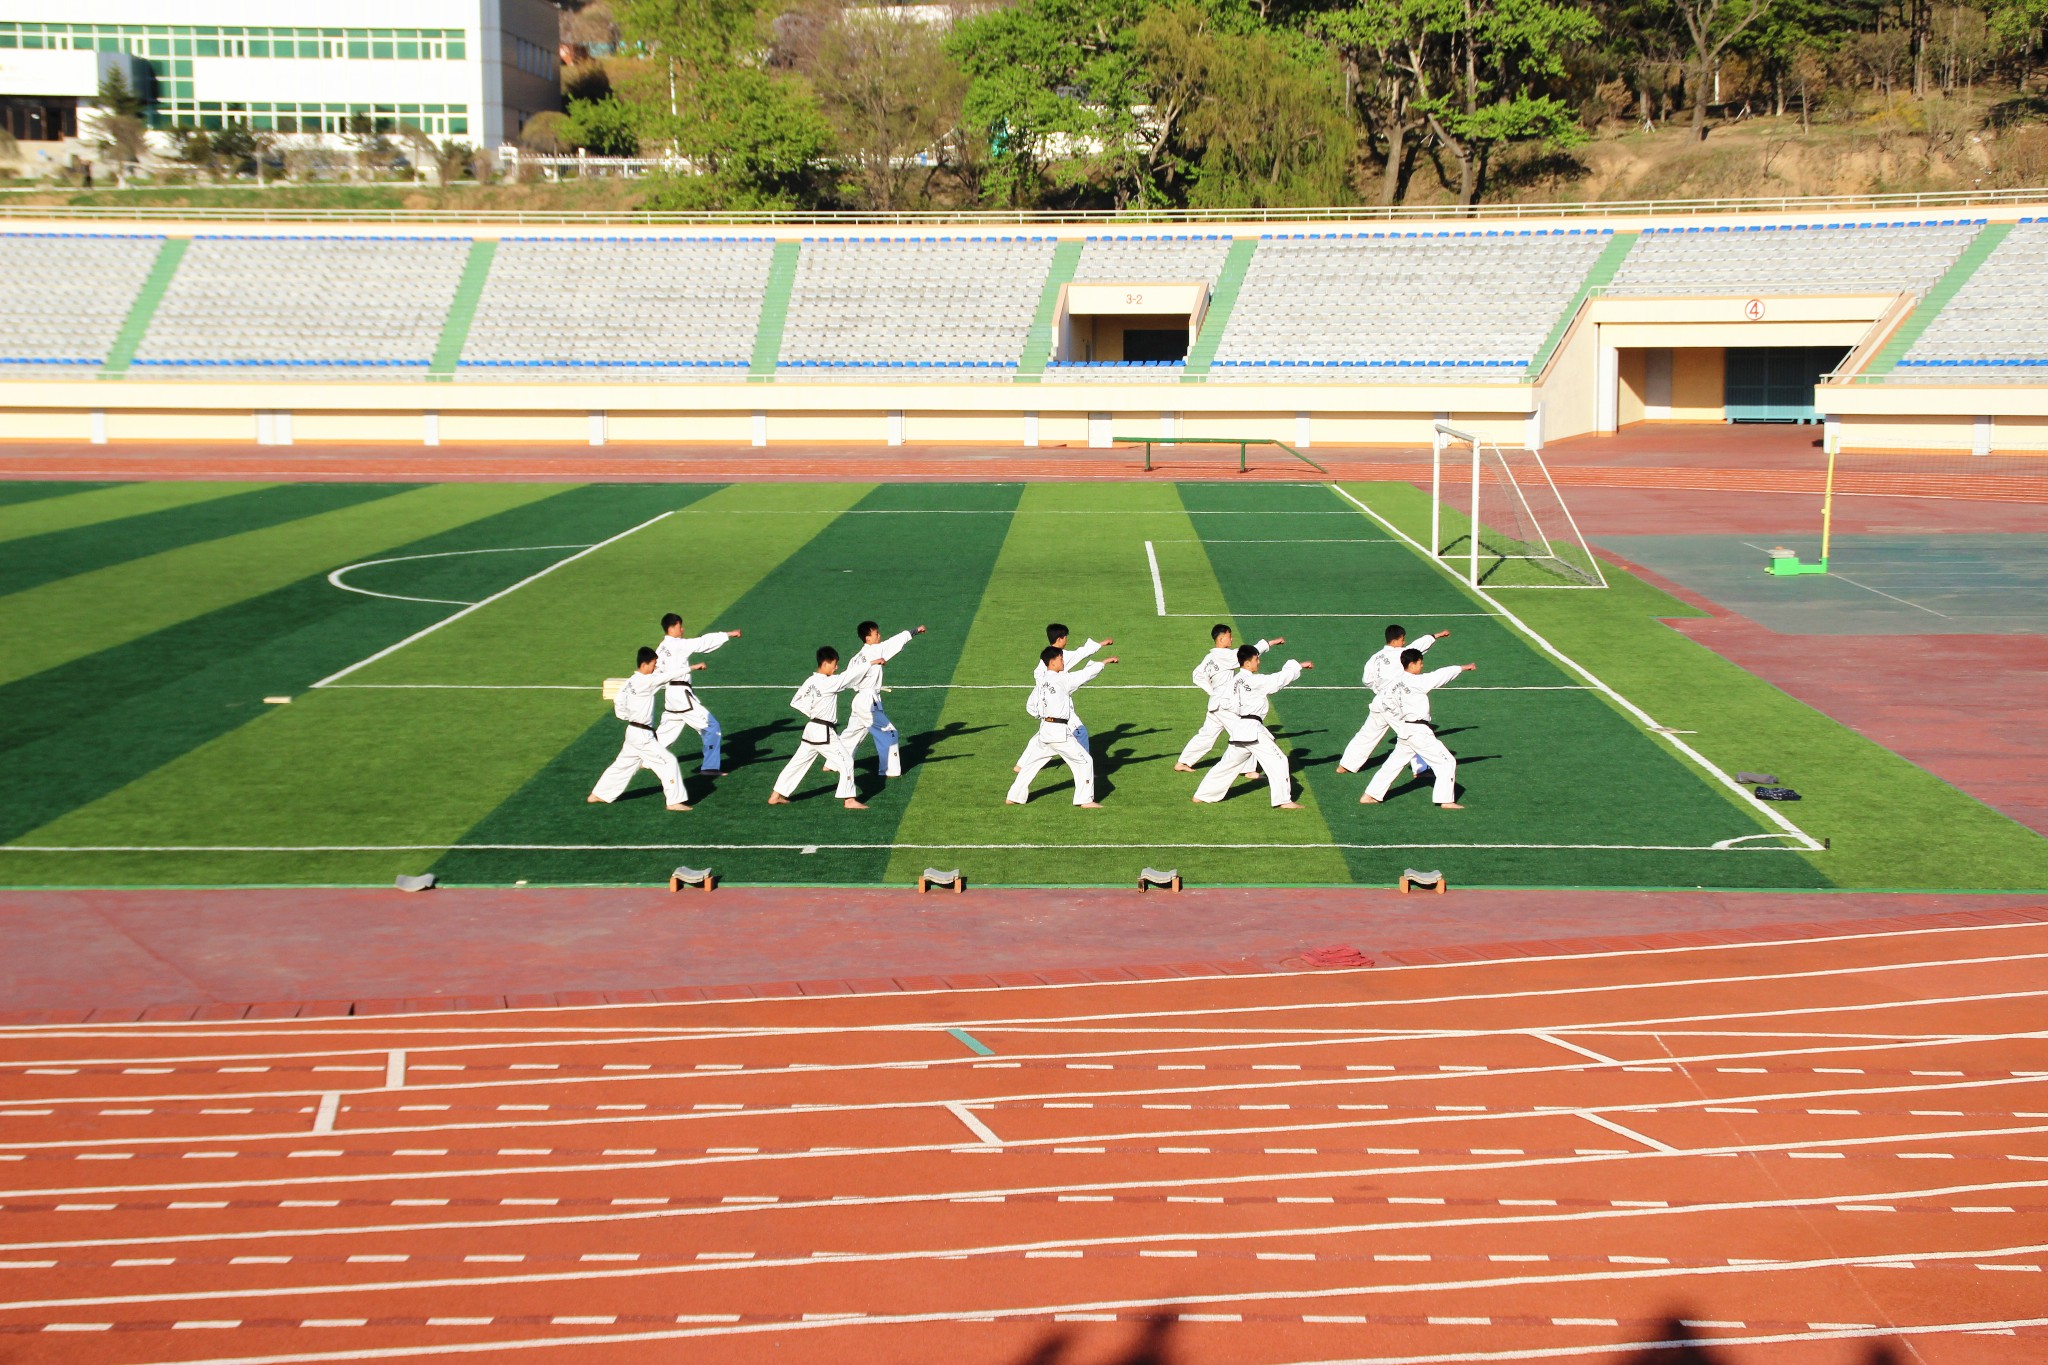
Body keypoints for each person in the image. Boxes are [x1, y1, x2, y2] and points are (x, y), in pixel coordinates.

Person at [1192, 646, 1312, 808]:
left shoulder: (1233, 682)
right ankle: (1284, 801)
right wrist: (1296, 665)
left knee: (1227, 765)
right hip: (1252, 728)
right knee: (1279, 761)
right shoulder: (1254, 681)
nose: (1259, 661)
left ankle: (1202, 794)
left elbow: (1226, 703)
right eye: (1256, 659)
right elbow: (1277, 680)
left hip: (1239, 728)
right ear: (1247, 663)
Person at [1361, 650, 1477, 809]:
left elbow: (1385, 702)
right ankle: (1446, 800)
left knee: (1392, 765)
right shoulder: (1417, 682)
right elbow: (1439, 675)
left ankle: (1369, 795)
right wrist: (1462, 668)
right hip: (1419, 731)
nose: (1422, 665)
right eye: (1420, 662)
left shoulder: (1394, 683)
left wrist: (1399, 715)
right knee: (1447, 762)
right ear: (1412, 663)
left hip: (1404, 729)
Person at [1008, 645, 1116, 807]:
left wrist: (1043, 714)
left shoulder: (1042, 681)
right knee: (1085, 761)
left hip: (1045, 730)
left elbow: (1031, 706)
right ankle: (1085, 800)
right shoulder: (1061, 680)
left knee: (1030, 765)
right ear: (1052, 662)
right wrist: (1103, 663)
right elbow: (1084, 675)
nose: (1063, 661)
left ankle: (1014, 796)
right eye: (1060, 659)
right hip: (1059, 733)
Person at [1337, 623, 1452, 776]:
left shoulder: (1375, 657)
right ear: (1398, 639)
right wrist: (1436, 636)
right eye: (1403, 639)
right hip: (1394, 705)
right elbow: (1417, 646)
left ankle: (1345, 765)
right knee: (1414, 733)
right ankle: (1421, 769)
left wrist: (1379, 690)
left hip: (1379, 702)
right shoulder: (1401, 654)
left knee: (1366, 734)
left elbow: (1367, 680)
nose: (1404, 642)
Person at [769, 646, 873, 810]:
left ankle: (775, 795)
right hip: (824, 732)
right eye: (834, 664)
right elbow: (847, 677)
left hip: (811, 728)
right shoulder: (828, 682)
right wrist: (870, 664)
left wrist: (813, 712)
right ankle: (849, 800)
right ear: (825, 663)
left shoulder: (810, 681)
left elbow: (796, 701)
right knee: (846, 761)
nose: (836, 667)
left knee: (797, 763)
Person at [588, 647, 691, 811]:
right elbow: (667, 677)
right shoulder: (645, 681)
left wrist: (626, 715)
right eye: (654, 663)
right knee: (668, 762)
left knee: (623, 764)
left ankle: (598, 794)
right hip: (643, 735)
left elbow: (618, 700)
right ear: (645, 664)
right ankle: (674, 801)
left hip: (632, 731)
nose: (655, 667)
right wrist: (691, 668)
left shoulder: (630, 682)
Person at [1174, 623, 1280, 771]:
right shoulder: (1225, 656)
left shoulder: (1209, 657)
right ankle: (1249, 770)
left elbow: (1196, 676)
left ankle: (1183, 762)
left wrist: (1212, 692)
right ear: (1222, 638)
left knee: (1207, 735)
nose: (1232, 639)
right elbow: (1247, 654)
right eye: (1230, 637)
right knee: (1244, 732)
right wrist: (1270, 643)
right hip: (1224, 704)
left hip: (1216, 703)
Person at [654, 613, 739, 774]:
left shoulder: (661, 648)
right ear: (672, 628)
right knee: (712, 726)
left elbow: (656, 673)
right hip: (681, 694)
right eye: (680, 626)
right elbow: (702, 643)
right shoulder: (677, 644)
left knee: (668, 729)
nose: (682, 629)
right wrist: (727, 634)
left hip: (670, 695)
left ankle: (646, 759)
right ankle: (710, 767)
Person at [844, 620, 926, 779]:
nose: (879, 635)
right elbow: (895, 641)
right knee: (890, 734)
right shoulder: (876, 650)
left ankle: (832, 763)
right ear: (868, 638)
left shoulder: (856, 658)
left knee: (853, 732)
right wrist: (915, 630)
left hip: (859, 699)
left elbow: (849, 679)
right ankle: (889, 770)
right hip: (869, 701)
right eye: (876, 634)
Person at [1039, 623, 1111, 752]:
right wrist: (1102, 661)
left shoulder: (1048, 658)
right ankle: (1085, 768)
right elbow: (1081, 666)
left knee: (1044, 737)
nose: (1067, 640)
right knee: (1079, 732)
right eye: (1066, 637)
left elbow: (1080, 654)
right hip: (1059, 708)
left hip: (1047, 708)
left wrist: (1100, 645)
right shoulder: (1058, 659)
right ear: (1060, 639)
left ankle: (1023, 765)